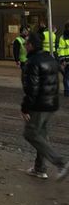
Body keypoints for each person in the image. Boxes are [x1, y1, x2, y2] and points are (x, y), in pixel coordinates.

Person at [21, 32, 69, 180]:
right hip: (51, 103)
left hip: (39, 105)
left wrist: (25, 107)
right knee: (40, 134)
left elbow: (32, 88)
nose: (24, 46)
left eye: (26, 43)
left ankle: (61, 162)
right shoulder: (49, 58)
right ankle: (40, 168)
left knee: (30, 133)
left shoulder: (32, 62)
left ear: (31, 46)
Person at [56, 22, 69, 97]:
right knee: (67, 76)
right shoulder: (62, 38)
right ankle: (67, 91)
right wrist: (63, 60)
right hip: (67, 60)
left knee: (67, 76)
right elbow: (60, 50)